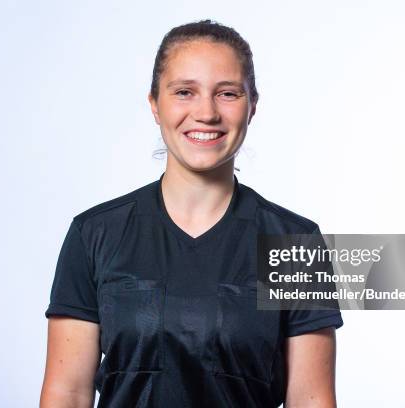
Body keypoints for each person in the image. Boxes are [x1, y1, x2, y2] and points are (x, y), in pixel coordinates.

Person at [40, 19, 344, 408]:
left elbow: (311, 400)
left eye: (228, 93)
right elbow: (67, 393)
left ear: (252, 106)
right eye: (185, 91)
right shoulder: (93, 234)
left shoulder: (295, 245)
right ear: (154, 103)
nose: (206, 112)